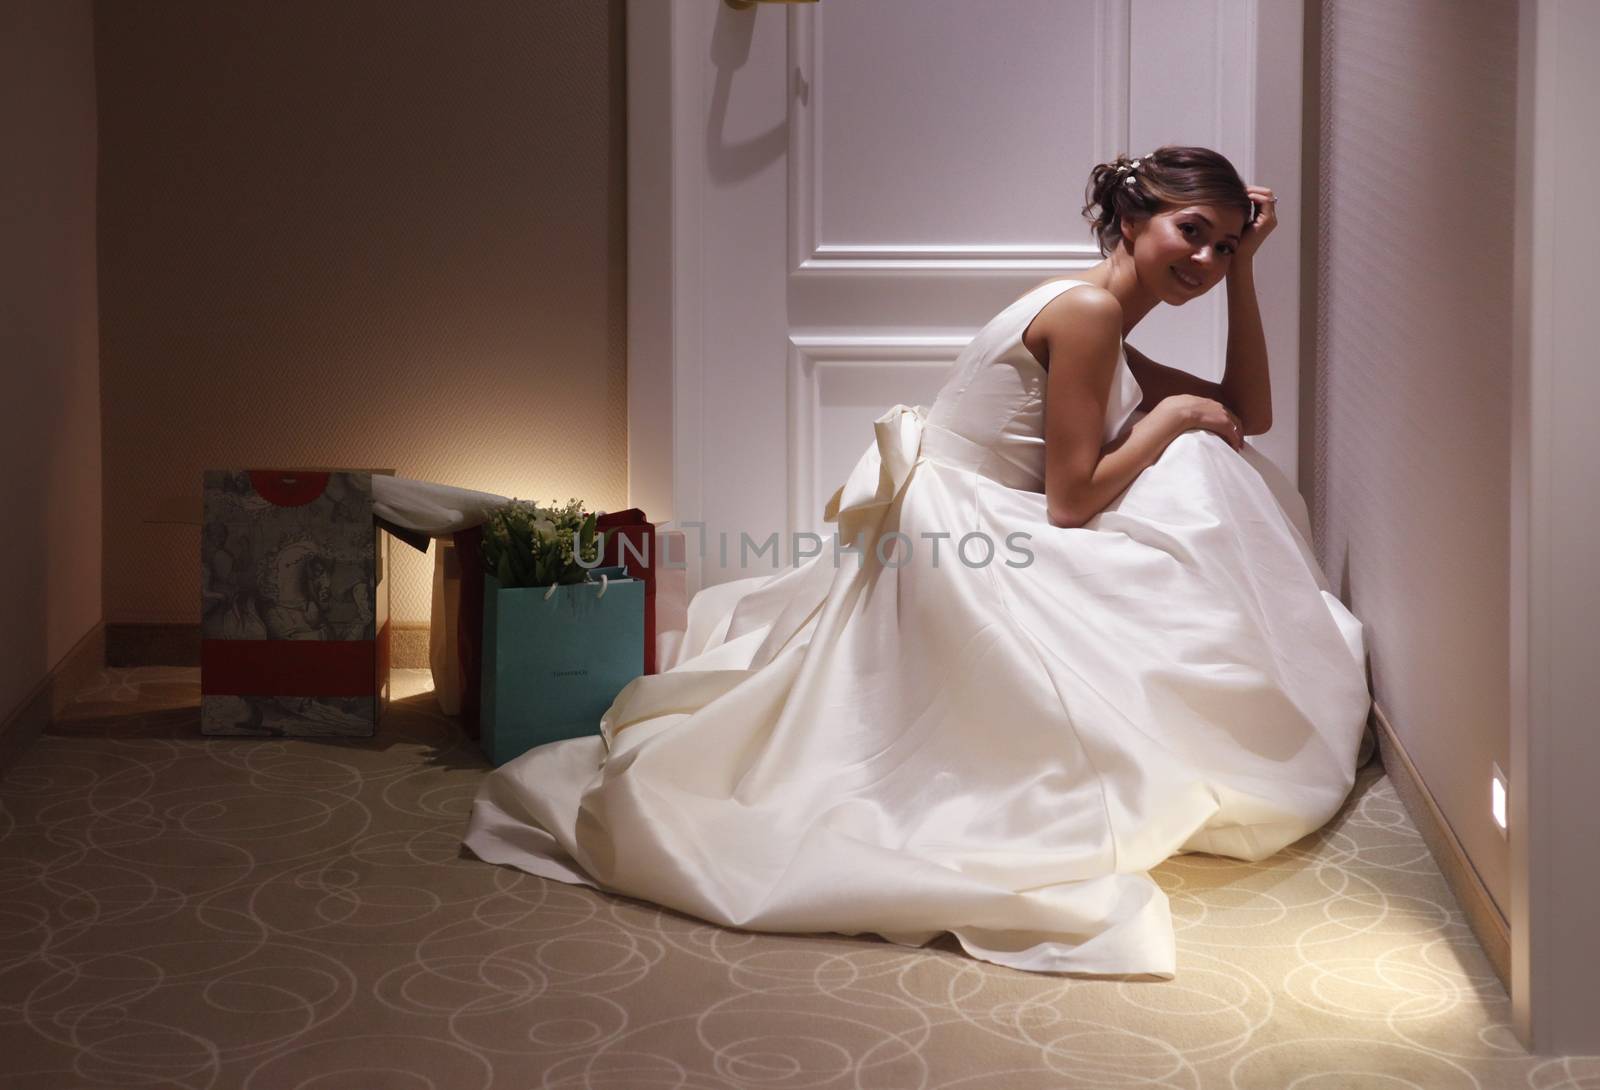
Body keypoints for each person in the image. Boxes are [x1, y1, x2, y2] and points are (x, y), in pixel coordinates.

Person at [462, 146, 1371, 977]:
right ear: (1133, 219)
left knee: (1214, 448)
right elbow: (1071, 499)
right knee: (1192, 452)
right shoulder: (1089, 312)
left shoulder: (1107, 322)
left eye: (1223, 247)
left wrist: (1250, 271)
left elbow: (1249, 409)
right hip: (959, 538)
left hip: (972, 521)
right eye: (1192, 234)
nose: (1205, 263)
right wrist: (1169, 420)